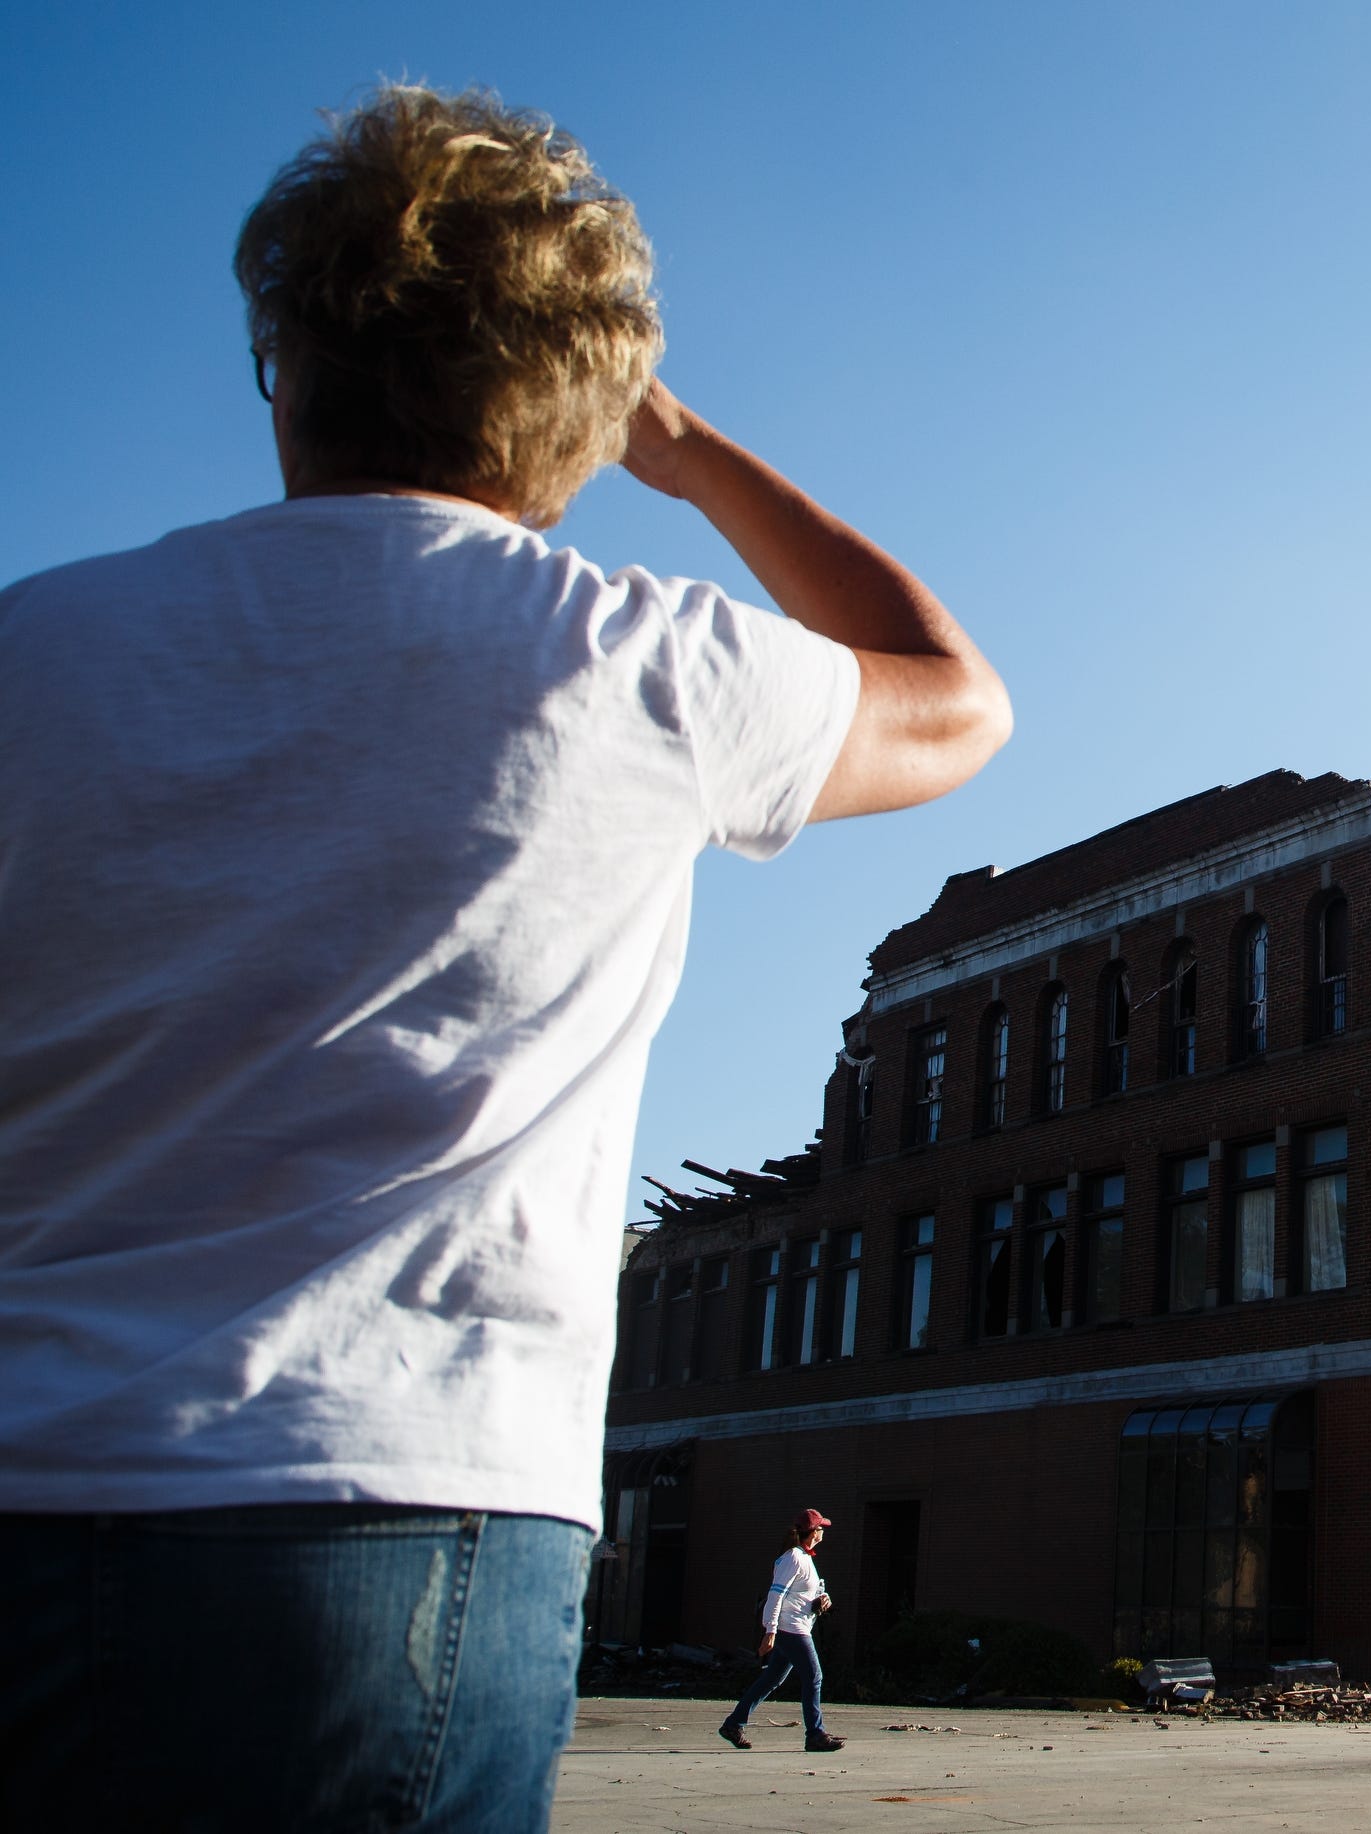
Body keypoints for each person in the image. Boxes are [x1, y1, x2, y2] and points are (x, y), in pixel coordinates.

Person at [0, 83, 1008, 1830]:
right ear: (578, 408)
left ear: (288, 366)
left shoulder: (37, 644)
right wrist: (681, 452)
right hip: (392, 1499)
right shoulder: (640, 665)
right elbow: (949, 692)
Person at [721, 1508, 843, 1752]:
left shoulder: (805, 1558)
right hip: (791, 1629)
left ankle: (733, 1724)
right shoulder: (793, 1558)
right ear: (813, 1531)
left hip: (796, 1626)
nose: (823, 1532)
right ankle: (815, 1735)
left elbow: (803, 1594)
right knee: (814, 1676)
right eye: (821, 1528)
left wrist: (822, 1600)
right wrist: (770, 1631)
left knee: (772, 1678)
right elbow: (775, 1596)